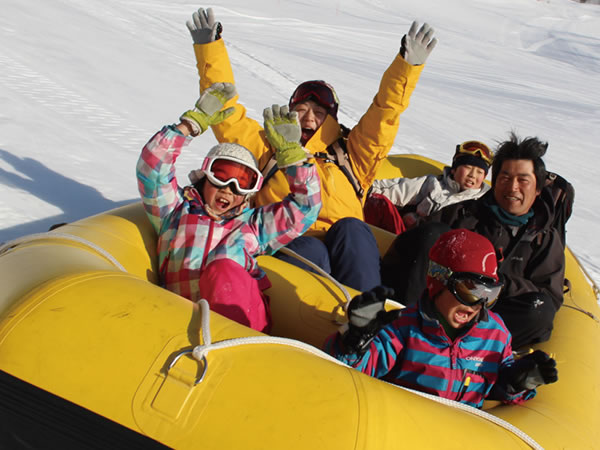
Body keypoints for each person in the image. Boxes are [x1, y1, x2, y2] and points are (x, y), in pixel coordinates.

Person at [185, 7, 438, 291]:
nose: (308, 118)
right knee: (310, 249)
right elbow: (227, 110)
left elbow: (385, 113)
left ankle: (370, 313)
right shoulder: (267, 148)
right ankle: (316, 320)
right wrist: (209, 49)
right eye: (301, 109)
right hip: (289, 241)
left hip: (346, 245)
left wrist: (407, 67)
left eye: (318, 112)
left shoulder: (351, 153)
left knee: (353, 229)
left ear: (331, 118)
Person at [136, 82, 321, 332]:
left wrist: (293, 157)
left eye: (243, 182)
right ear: (204, 176)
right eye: (221, 174)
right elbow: (152, 167)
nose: (229, 188)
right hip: (181, 323)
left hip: (239, 324)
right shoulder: (176, 211)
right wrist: (190, 125)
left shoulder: (251, 227)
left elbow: (306, 207)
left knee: (223, 269)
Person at [325, 229, 558, 409]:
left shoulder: (494, 335)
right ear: (439, 281)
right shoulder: (404, 328)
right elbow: (352, 371)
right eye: (470, 290)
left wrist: (519, 381)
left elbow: (496, 385)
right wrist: (356, 339)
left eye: (489, 294)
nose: (478, 304)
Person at [381, 132, 568, 349]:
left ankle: (477, 355)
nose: (513, 187)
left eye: (522, 180)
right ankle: (409, 333)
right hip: (437, 307)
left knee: (539, 309)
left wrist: (496, 284)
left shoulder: (544, 238)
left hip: (488, 328)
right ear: (495, 182)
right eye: (505, 178)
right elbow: (410, 251)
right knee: (432, 234)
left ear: (537, 189)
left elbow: (549, 296)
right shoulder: (461, 214)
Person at [364, 140, 492, 233]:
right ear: (454, 169)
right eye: (468, 168)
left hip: (450, 251)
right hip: (415, 239)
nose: (472, 175)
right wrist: (365, 187)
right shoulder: (435, 184)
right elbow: (399, 190)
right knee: (376, 202)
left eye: (480, 172)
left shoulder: (485, 201)